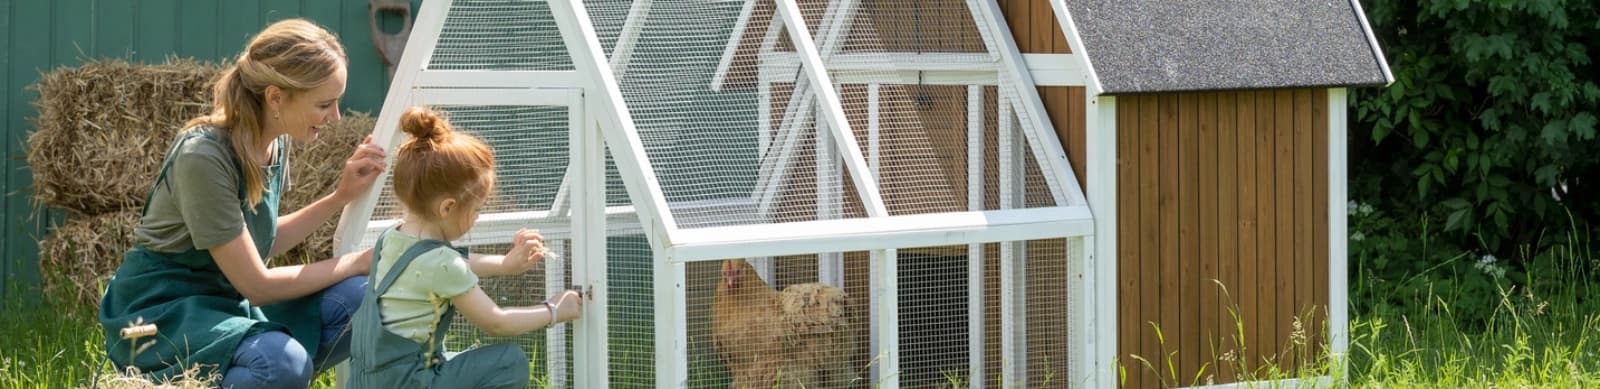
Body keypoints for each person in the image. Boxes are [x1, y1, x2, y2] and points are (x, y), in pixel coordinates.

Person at [98, 18, 387, 389]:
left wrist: (339, 197)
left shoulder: (274, 143)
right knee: (281, 362)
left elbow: (261, 240)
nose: (335, 117)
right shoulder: (202, 157)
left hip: (225, 303)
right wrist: (356, 261)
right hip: (160, 313)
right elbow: (258, 284)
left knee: (363, 299)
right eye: (325, 104)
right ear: (276, 97)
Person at [348, 107, 583, 389]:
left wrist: (505, 264)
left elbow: (448, 263)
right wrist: (555, 310)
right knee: (510, 361)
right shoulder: (441, 263)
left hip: (366, 381)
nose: (477, 217)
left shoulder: (393, 237)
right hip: (409, 382)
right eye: (476, 209)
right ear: (447, 207)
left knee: (454, 358)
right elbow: (496, 322)